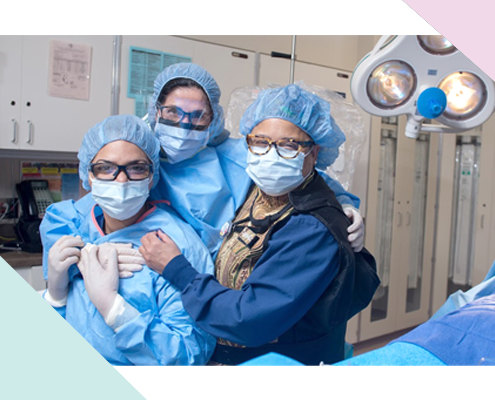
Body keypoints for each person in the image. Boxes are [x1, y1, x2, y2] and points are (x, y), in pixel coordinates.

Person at [140, 84, 380, 365]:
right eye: (260, 142)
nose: (270, 156)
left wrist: (177, 270)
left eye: (288, 145)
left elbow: (248, 320)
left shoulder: (312, 229)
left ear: (314, 153)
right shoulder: (256, 188)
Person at [39, 115, 216, 366]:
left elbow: (189, 354)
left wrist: (116, 311)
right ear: (89, 175)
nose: (121, 180)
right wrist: (56, 297)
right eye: (105, 168)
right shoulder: (77, 228)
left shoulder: (178, 244)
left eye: (136, 168)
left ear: (151, 176)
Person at [147, 63, 365, 258]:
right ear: (156, 111)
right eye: (173, 112)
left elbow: (308, 177)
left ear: (213, 119)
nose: (184, 126)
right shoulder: (142, 163)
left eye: (198, 115)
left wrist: (343, 204)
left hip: (233, 264)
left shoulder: (234, 154)